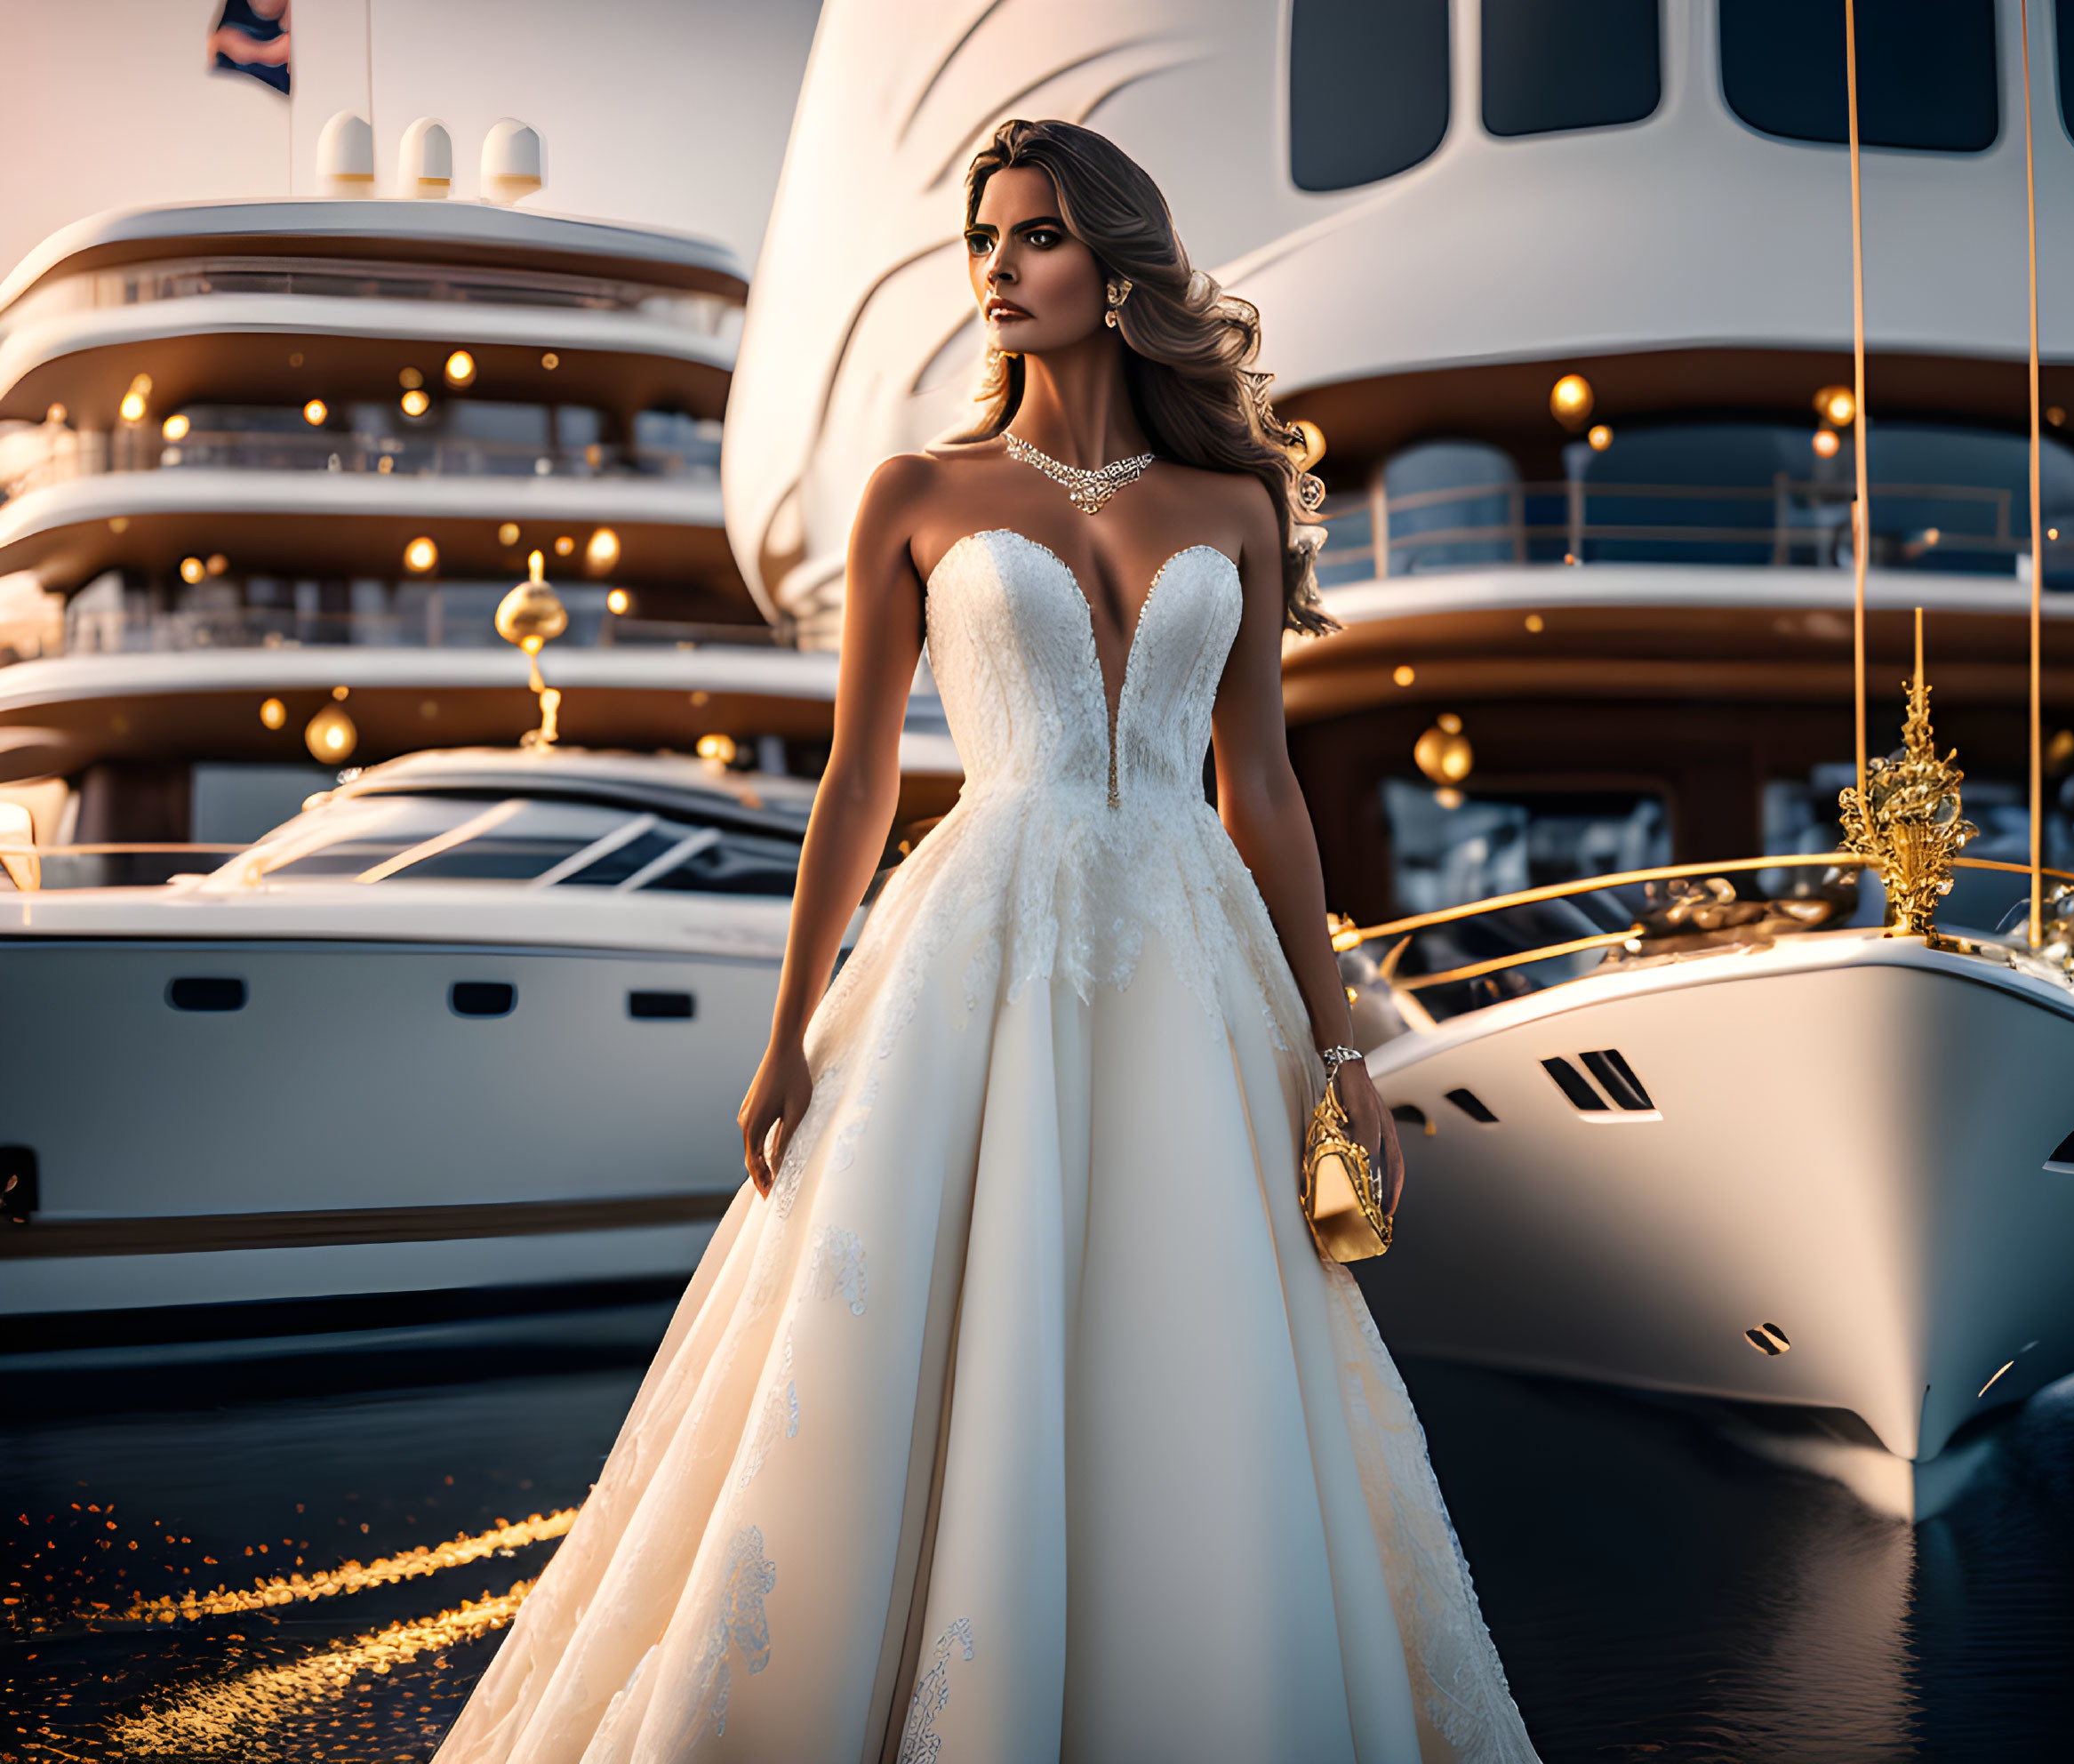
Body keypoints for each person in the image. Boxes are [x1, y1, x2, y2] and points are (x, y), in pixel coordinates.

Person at [436, 118, 1541, 1764]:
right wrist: (787, 1028)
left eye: (1034, 239)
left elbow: (1269, 800)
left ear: (1116, 271)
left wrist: (1338, 1053)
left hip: (1192, 957)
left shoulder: (1231, 503)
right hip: (982, 934)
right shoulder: (919, 493)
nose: (998, 271)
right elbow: (859, 783)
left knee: (1201, 1338)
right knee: (933, 1343)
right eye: (984, 238)